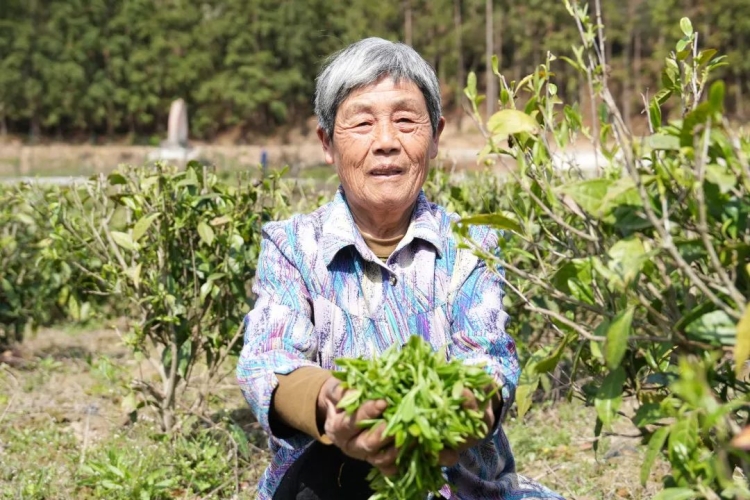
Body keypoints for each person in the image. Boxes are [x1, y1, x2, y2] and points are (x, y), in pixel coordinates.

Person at [237, 37, 564, 500]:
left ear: (435, 138)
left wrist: (463, 408)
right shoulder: (292, 246)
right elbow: (268, 360)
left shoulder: (470, 245)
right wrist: (332, 402)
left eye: (406, 121)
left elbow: (489, 357)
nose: (386, 142)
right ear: (327, 143)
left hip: (461, 487)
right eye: (362, 122)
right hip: (326, 487)